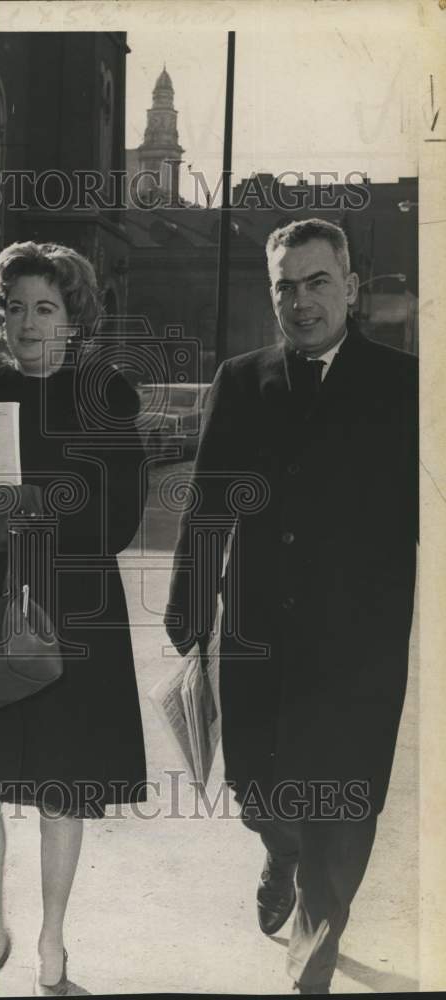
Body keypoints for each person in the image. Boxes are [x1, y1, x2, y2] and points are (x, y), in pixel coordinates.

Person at [165, 218, 418, 994]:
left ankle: (311, 955)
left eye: (316, 283)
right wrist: (190, 613)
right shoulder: (241, 381)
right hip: (257, 630)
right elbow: (208, 506)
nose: (300, 301)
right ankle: (278, 845)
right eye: (284, 286)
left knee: (340, 799)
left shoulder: (406, 386)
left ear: (349, 286)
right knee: (259, 788)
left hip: (359, 640)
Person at [0, 241, 147, 996]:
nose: (26, 323)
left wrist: (34, 511)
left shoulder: (103, 395)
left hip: (72, 615)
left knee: (58, 787)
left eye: (45, 308)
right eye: (13, 308)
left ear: (74, 318)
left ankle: (51, 938)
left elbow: (118, 517)